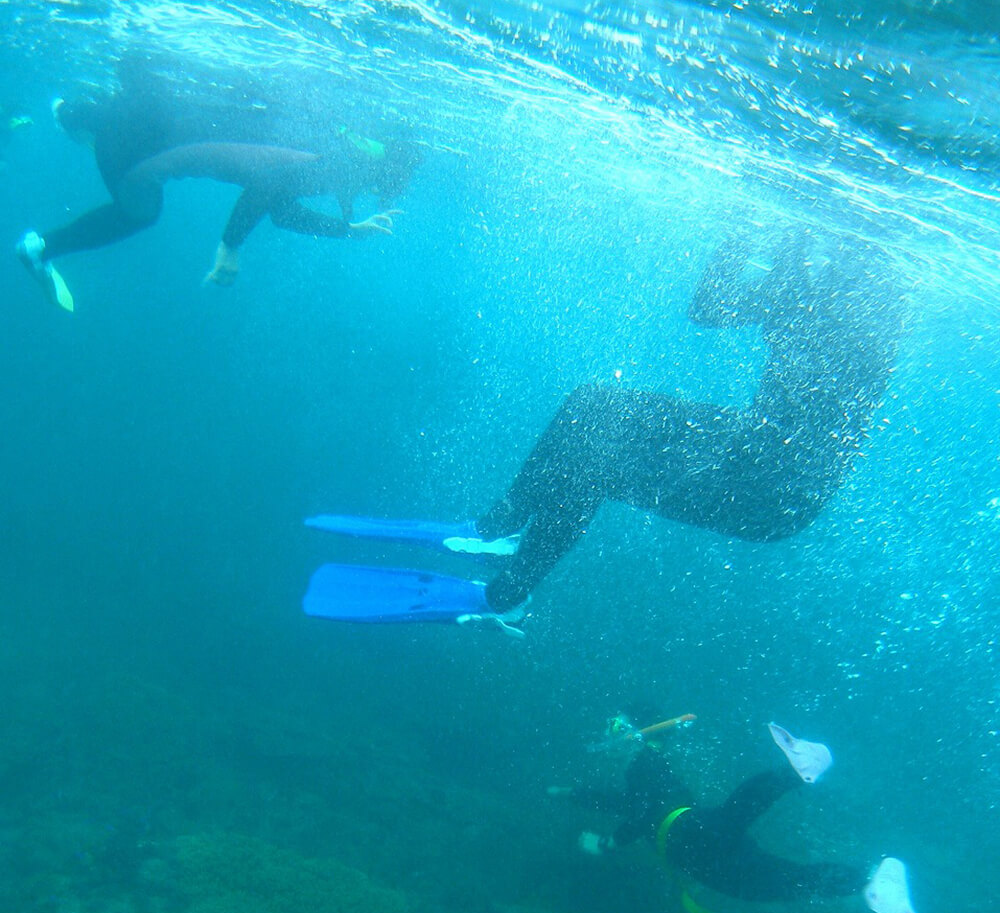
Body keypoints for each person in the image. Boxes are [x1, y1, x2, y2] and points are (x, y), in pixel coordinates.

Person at [300, 226, 906, 630]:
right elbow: (709, 308)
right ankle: (497, 527)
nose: (829, 256)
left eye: (842, 256)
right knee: (593, 403)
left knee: (596, 462)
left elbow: (809, 329)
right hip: (748, 441)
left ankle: (508, 594)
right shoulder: (821, 290)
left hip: (777, 492)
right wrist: (739, 233)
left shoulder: (864, 317)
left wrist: (793, 251)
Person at [16, 83, 420, 310]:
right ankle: (41, 249)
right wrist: (230, 246)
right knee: (140, 213)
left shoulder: (321, 139)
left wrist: (347, 229)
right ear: (375, 172)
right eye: (378, 187)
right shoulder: (329, 165)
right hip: (134, 155)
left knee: (117, 122)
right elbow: (269, 188)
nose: (369, 192)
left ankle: (71, 114)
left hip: (139, 118)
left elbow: (279, 208)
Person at [551, 718, 931, 913]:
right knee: (778, 883)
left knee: (738, 824)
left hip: (685, 837)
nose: (612, 735)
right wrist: (569, 793)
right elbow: (619, 802)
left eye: (618, 726)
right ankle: (869, 881)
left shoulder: (643, 762)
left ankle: (796, 770)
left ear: (639, 734)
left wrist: (606, 844)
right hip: (701, 856)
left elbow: (637, 809)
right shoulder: (649, 770)